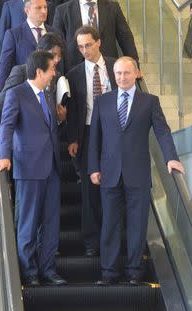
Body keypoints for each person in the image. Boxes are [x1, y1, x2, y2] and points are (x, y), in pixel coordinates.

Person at [88, 56, 185, 285]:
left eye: (126, 73)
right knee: (110, 223)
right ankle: (109, 272)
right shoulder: (102, 102)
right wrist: (93, 167)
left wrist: (171, 158)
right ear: (114, 74)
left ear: (136, 74)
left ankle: (134, 272)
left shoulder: (149, 101)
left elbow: (162, 131)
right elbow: (95, 138)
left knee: (137, 224)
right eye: (118, 73)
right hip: (109, 173)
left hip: (138, 174)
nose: (122, 77)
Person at [0, 51, 67, 286]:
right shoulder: (17, 94)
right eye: (51, 70)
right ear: (39, 72)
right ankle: (29, 272)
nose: (54, 73)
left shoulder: (47, 94)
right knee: (28, 222)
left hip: (52, 167)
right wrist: (4, 156)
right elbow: (6, 126)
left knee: (51, 222)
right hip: (29, 168)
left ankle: (48, 270)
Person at [66, 25, 117, 257]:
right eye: (80, 46)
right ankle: (91, 242)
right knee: (89, 191)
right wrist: (73, 139)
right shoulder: (74, 74)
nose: (84, 50)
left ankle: (112, 238)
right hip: (87, 134)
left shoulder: (117, 67)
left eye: (88, 45)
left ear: (98, 42)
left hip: (115, 133)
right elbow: (74, 110)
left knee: (114, 186)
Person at [0, 32, 66, 147]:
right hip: (24, 139)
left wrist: (60, 118)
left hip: (47, 141)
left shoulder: (55, 76)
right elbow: (4, 97)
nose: (57, 60)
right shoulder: (21, 72)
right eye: (53, 55)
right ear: (40, 51)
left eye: (59, 56)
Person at [52, 0, 139, 72]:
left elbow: (125, 37)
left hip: (109, 67)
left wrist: (135, 64)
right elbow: (56, 43)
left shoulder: (113, 7)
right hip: (75, 69)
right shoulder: (63, 10)